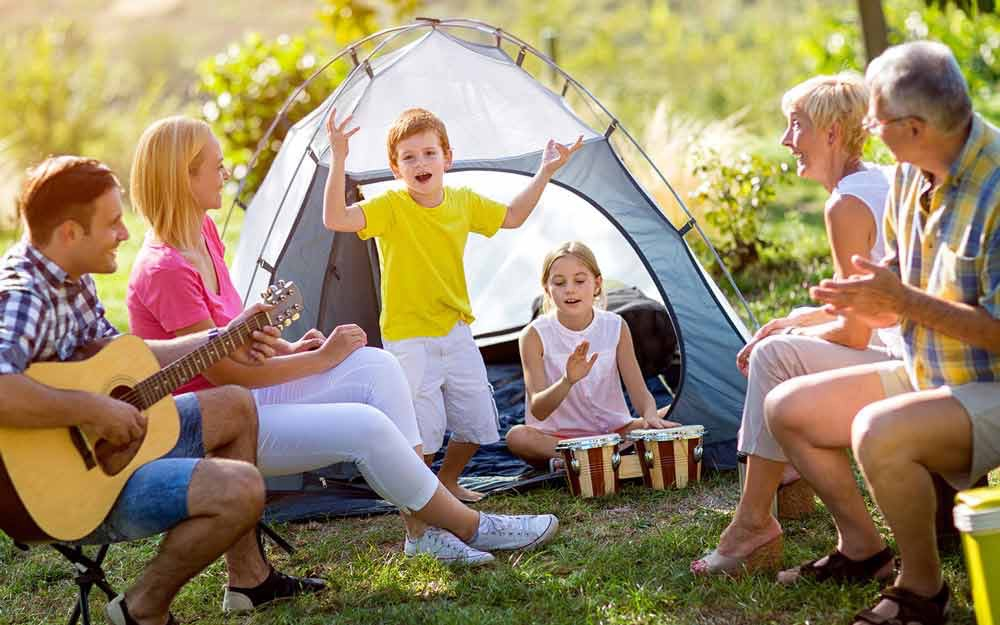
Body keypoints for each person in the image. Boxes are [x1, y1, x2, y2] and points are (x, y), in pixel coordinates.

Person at [126, 116, 560, 569]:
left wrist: (293, 350)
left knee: (377, 366)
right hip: (215, 426)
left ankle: (422, 530)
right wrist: (321, 360)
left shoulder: (204, 233)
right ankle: (468, 525)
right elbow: (224, 375)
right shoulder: (165, 269)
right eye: (216, 166)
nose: (226, 173)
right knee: (364, 426)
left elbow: (231, 344)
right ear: (184, 177)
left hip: (250, 396)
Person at [0, 156, 324, 625]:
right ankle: (143, 608)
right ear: (70, 233)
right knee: (242, 488)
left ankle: (249, 580)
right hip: (70, 492)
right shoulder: (25, 296)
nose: (125, 234)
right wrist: (92, 408)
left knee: (235, 405)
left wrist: (222, 336)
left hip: (111, 452)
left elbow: (123, 357)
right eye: (112, 223)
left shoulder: (72, 279)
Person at [767, 41, 1000, 625]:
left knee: (877, 429)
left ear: (916, 127)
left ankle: (921, 591)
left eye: (876, 119)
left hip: (989, 381)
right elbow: (900, 276)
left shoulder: (996, 188)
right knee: (787, 408)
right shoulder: (906, 175)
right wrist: (865, 299)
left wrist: (901, 301)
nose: (866, 131)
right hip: (930, 370)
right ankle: (862, 550)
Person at [690, 72, 903, 577]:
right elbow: (870, 304)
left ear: (831, 133)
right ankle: (767, 508)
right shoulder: (880, 181)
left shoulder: (846, 204)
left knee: (773, 355)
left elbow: (855, 334)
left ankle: (757, 523)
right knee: (776, 345)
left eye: (795, 125)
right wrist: (798, 319)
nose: (787, 141)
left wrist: (792, 335)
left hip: (907, 363)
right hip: (908, 347)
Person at [323, 106, 583, 502]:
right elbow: (336, 218)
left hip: (456, 330)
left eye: (429, 153)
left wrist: (545, 171)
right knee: (421, 432)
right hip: (409, 338)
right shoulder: (390, 207)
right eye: (409, 157)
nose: (420, 163)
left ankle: (447, 483)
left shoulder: (462, 202)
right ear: (396, 169)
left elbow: (512, 216)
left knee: (478, 421)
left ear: (448, 158)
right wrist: (339, 157)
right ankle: (422, 499)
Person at [504, 241, 678, 468]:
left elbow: (640, 392)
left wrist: (650, 415)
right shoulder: (533, 335)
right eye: (559, 282)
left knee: (679, 410)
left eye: (579, 280)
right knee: (517, 437)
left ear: (596, 284)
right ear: (547, 289)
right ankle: (583, 457)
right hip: (561, 440)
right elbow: (539, 408)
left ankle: (584, 461)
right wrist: (567, 381)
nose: (570, 289)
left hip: (615, 432)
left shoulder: (616, 325)